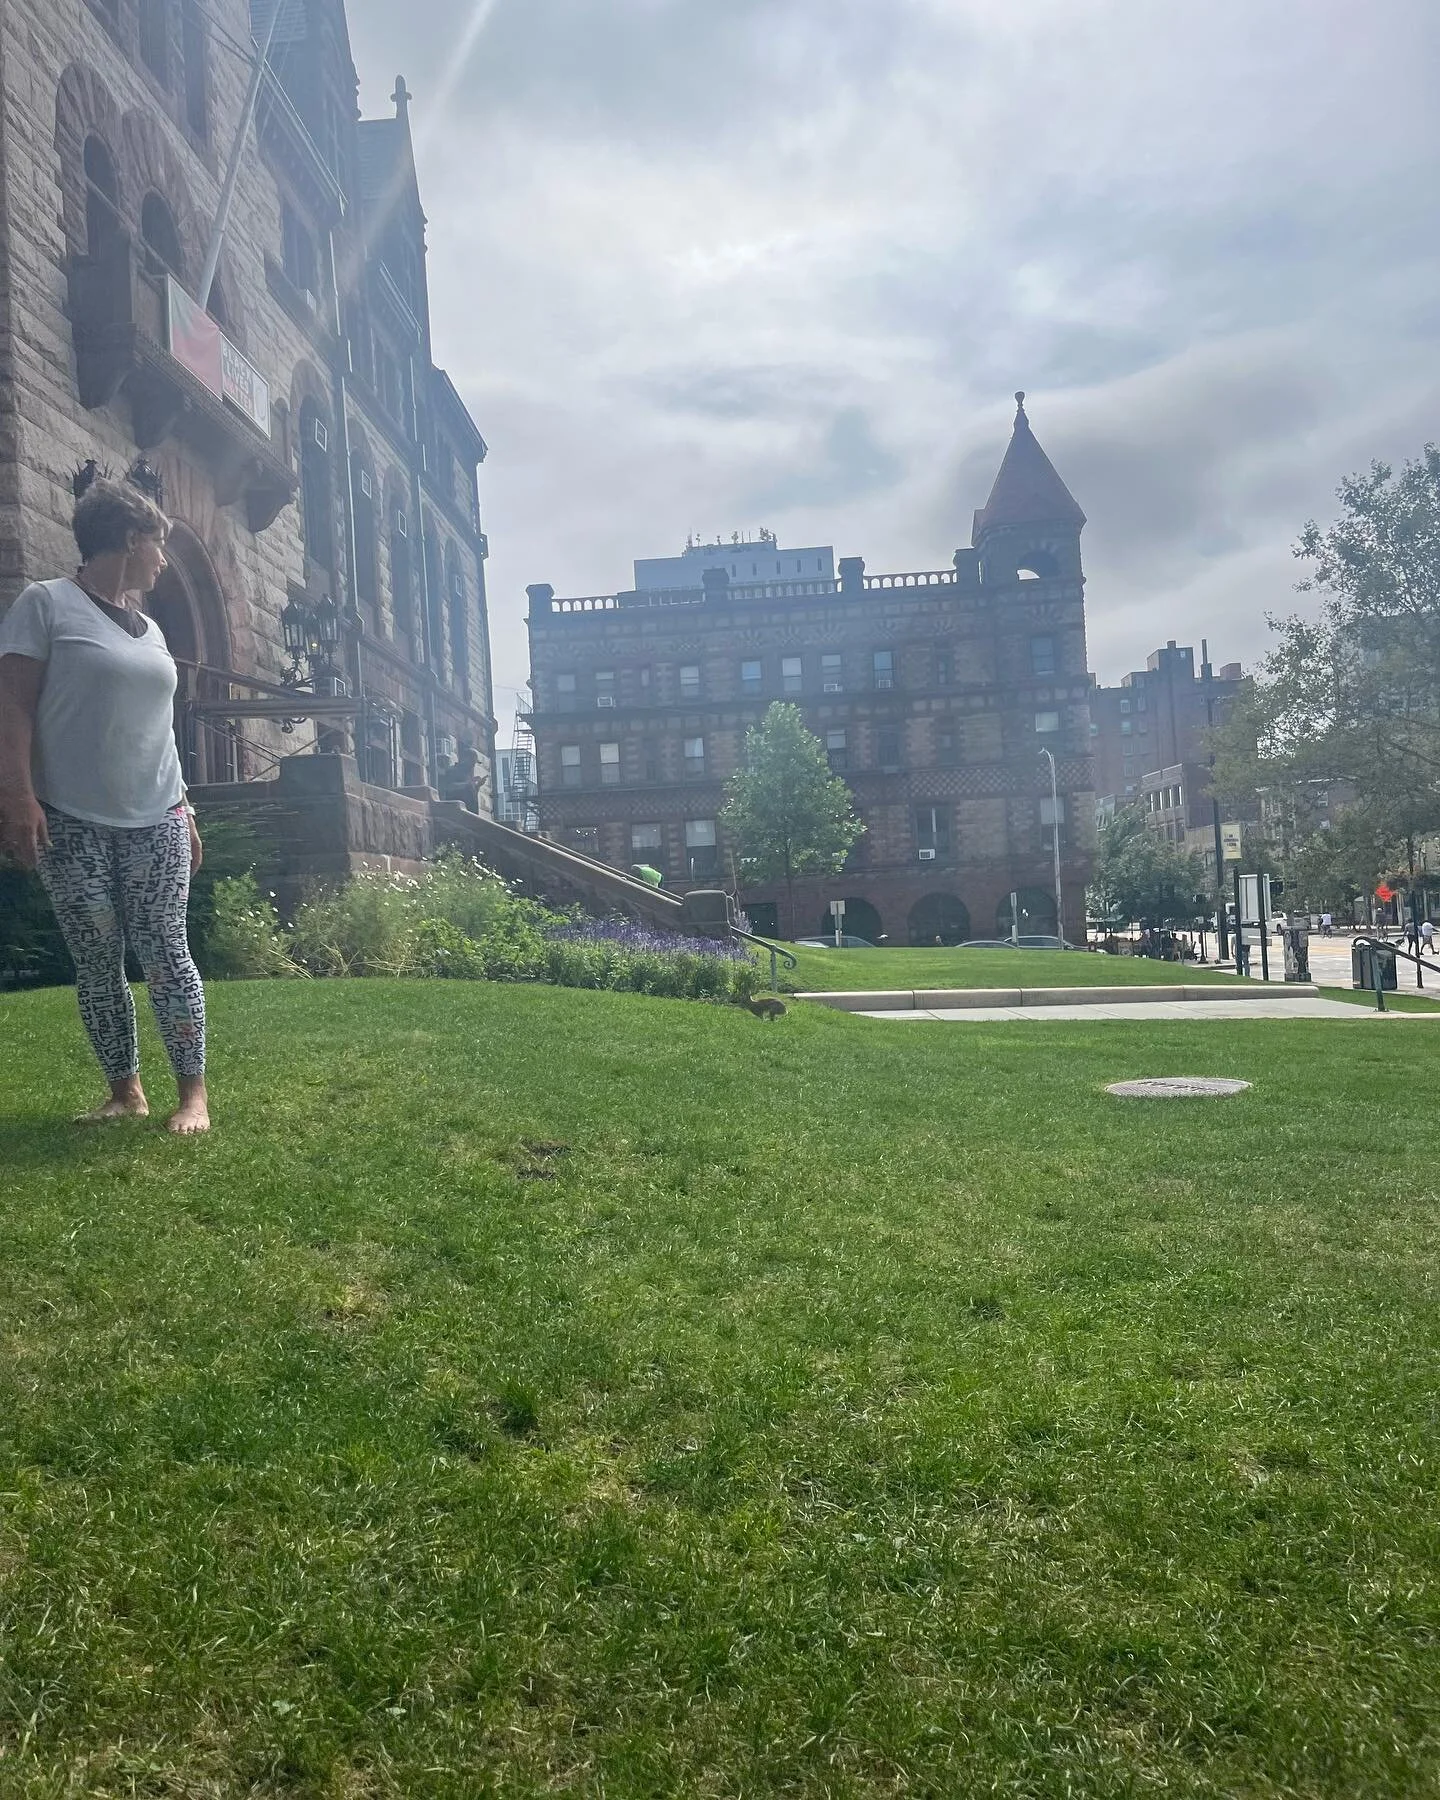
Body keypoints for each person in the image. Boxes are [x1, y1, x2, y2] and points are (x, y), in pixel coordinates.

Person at [0, 465, 209, 1133]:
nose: (162, 558)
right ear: (127, 537)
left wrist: (188, 808)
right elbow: (13, 706)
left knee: (167, 952)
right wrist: (18, 799)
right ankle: (126, 1093)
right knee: (97, 960)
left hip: (159, 818)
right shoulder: (45, 603)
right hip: (71, 819)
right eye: (157, 542)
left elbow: (159, 729)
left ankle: (192, 1098)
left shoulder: (153, 632)